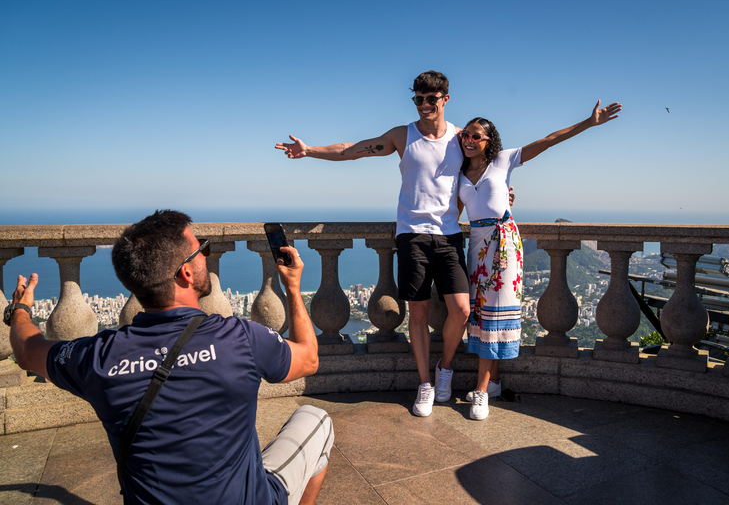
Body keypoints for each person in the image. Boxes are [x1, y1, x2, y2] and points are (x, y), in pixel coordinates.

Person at [5, 210, 333, 505]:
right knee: (316, 420)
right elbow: (308, 360)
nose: (206, 253)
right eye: (201, 249)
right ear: (186, 273)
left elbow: (26, 350)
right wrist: (292, 287)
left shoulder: (96, 358)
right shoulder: (239, 338)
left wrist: (20, 310)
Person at [275, 71, 471, 417]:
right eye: (418, 99)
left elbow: (487, 169)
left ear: (445, 99)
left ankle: (446, 369)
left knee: (461, 310)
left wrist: (503, 198)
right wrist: (310, 151)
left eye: (431, 98)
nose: (424, 105)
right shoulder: (403, 135)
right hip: (412, 234)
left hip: (450, 235)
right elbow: (352, 150)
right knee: (419, 311)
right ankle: (425, 383)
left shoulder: (460, 137)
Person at [458, 100, 622, 421]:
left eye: (475, 136)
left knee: (494, 316)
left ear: (489, 142)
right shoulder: (460, 171)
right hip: (477, 246)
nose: (468, 140)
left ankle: (480, 392)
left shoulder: (503, 161)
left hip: (503, 244)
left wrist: (588, 123)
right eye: (465, 134)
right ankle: (493, 384)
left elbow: (547, 140)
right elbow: (452, 210)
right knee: (481, 317)